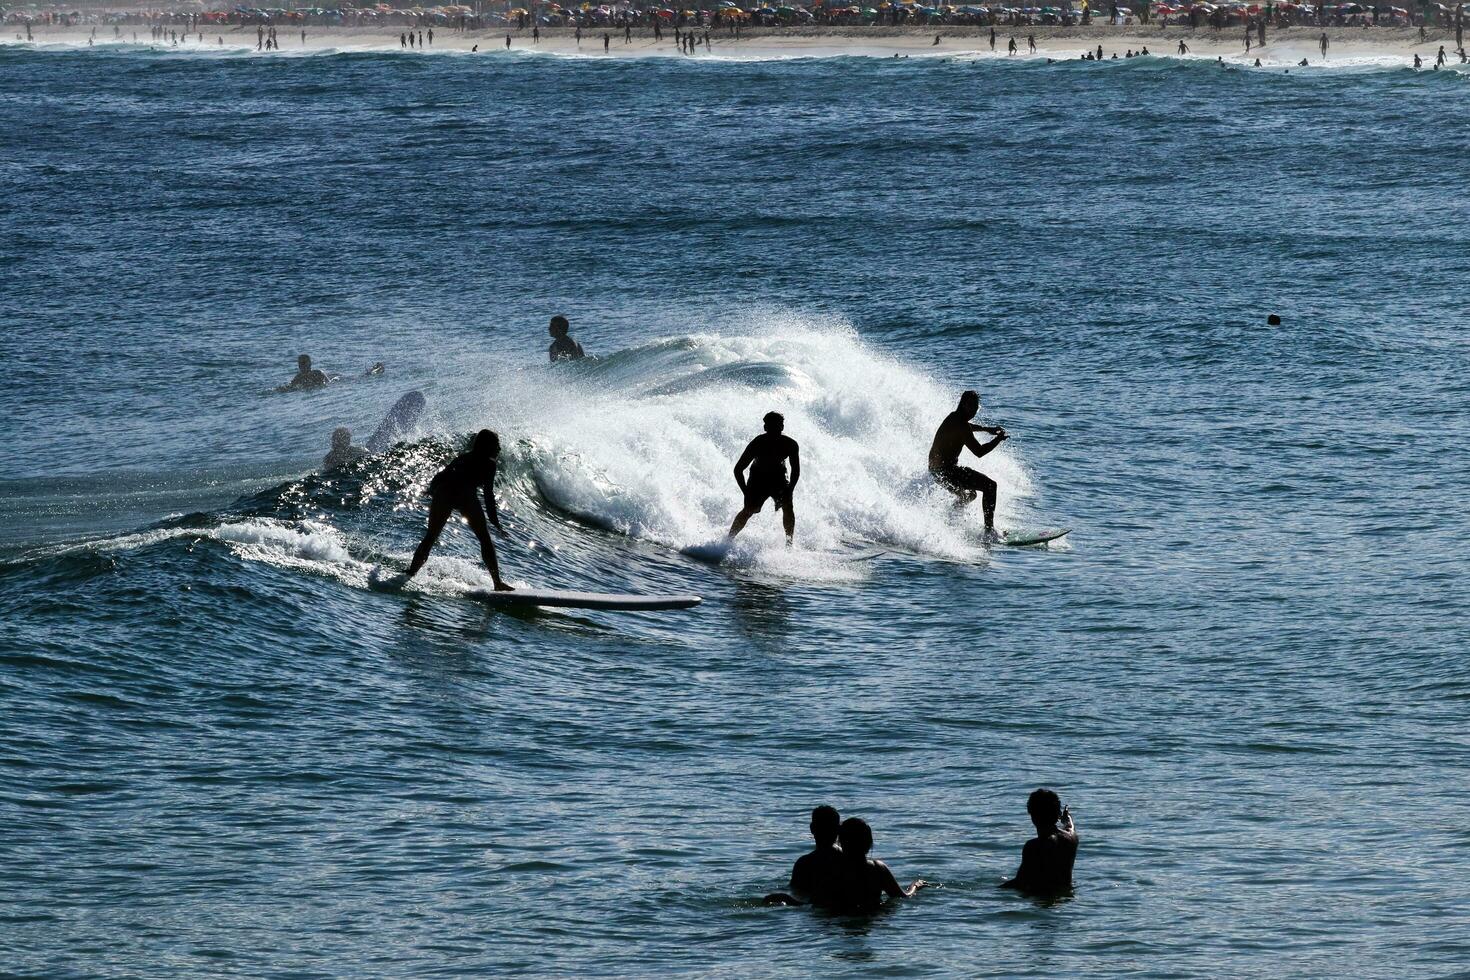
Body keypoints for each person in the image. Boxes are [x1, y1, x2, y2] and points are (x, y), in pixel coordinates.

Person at [402, 429, 512, 590]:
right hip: (464, 495)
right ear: (487, 446)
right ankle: (497, 583)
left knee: (431, 536)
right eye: (496, 445)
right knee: (485, 539)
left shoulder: (463, 457)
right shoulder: (489, 464)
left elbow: (441, 475)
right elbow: (488, 496)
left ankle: (411, 572)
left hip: (444, 493)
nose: (499, 449)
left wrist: (431, 489)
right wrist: (496, 523)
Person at [928, 390, 1007, 534]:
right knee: (990, 486)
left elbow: (967, 427)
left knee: (970, 495)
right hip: (946, 471)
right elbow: (979, 452)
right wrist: (998, 439)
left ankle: (949, 520)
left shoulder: (953, 417)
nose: (975, 411)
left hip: (936, 472)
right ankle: (989, 532)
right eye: (973, 407)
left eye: (977, 408)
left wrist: (986, 429)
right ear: (964, 405)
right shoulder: (961, 425)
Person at [826, 818, 926, 913]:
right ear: (869, 843)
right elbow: (903, 896)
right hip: (873, 915)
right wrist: (915, 886)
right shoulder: (877, 868)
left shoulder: (832, 869)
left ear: (842, 843)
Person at [728, 412, 800, 544]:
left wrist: (790, 489)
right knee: (750, 509)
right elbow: (738, 469)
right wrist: (745, 492)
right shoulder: (758, 443)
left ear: (782, 427)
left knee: (788, 506)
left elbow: (796, 470)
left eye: (777, 427)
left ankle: (789, 544)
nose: (774, 431)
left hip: (779, 477)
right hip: (758, 478)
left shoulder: (790, 444)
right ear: (765, 428)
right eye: (771, 427)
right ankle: (728, 540)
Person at [999, 788, 1078, 895]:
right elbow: (1070, 826)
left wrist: (993, 891)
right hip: (1066, 895)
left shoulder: (1034, 846)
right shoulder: (1072, 837)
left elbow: (1020, 882)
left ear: (1032, 815)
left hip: (1042, 897)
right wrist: (1067, 817)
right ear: (1058, 814)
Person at [763, 805, 845, 906]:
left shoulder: (805, 863)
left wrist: (785, 898)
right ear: (838, 829)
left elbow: (799, 895)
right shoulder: (848, 860)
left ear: (812, 828)